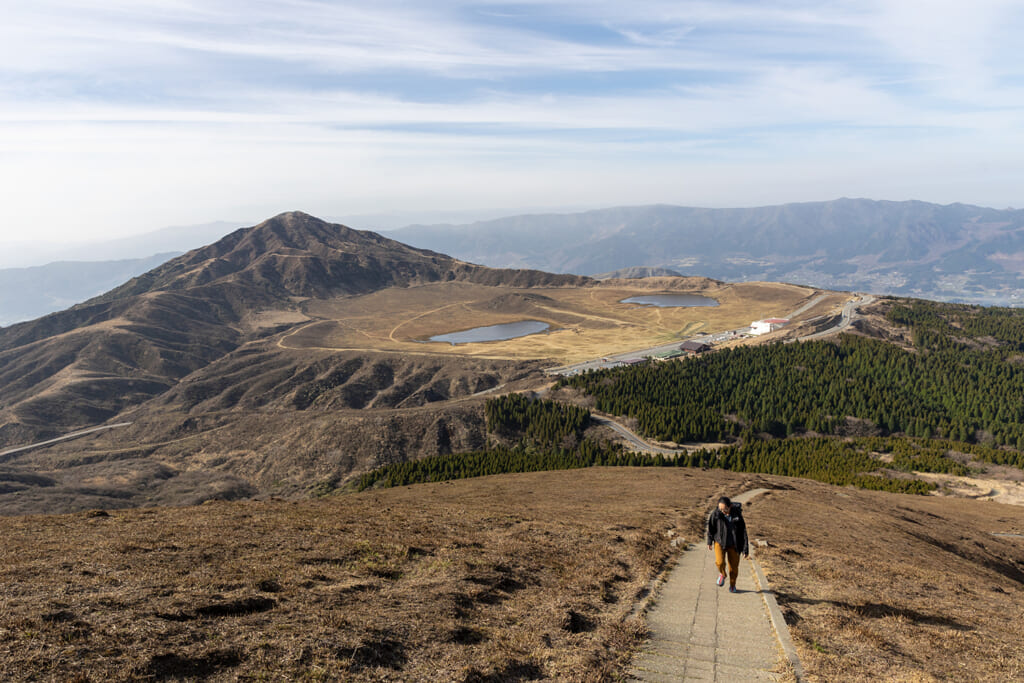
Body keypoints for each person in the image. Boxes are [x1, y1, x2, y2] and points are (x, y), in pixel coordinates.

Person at [706, 495, 749, 593]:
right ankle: (722, 574)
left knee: (733, 568)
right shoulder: (716, 514)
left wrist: (745, 549)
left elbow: (743, 532)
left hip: (734, 545)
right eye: (720, 509)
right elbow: (711, 528)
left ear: (730, 507)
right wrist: (709, 541)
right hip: (720, 542)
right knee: (720, 562)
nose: (722, 511)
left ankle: (732, 585)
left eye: (724, 509)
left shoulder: (737, 515)